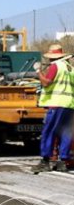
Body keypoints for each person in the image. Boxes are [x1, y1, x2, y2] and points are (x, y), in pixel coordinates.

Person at [32, 44, 74, 173]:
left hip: (57, 104)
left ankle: (45, 161)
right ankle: (63, 162)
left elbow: (46, 83)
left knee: (49, 132)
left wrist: (38, 72)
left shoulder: (55, 66)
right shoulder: (70, 68)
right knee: (66, 133)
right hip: (70, 105)